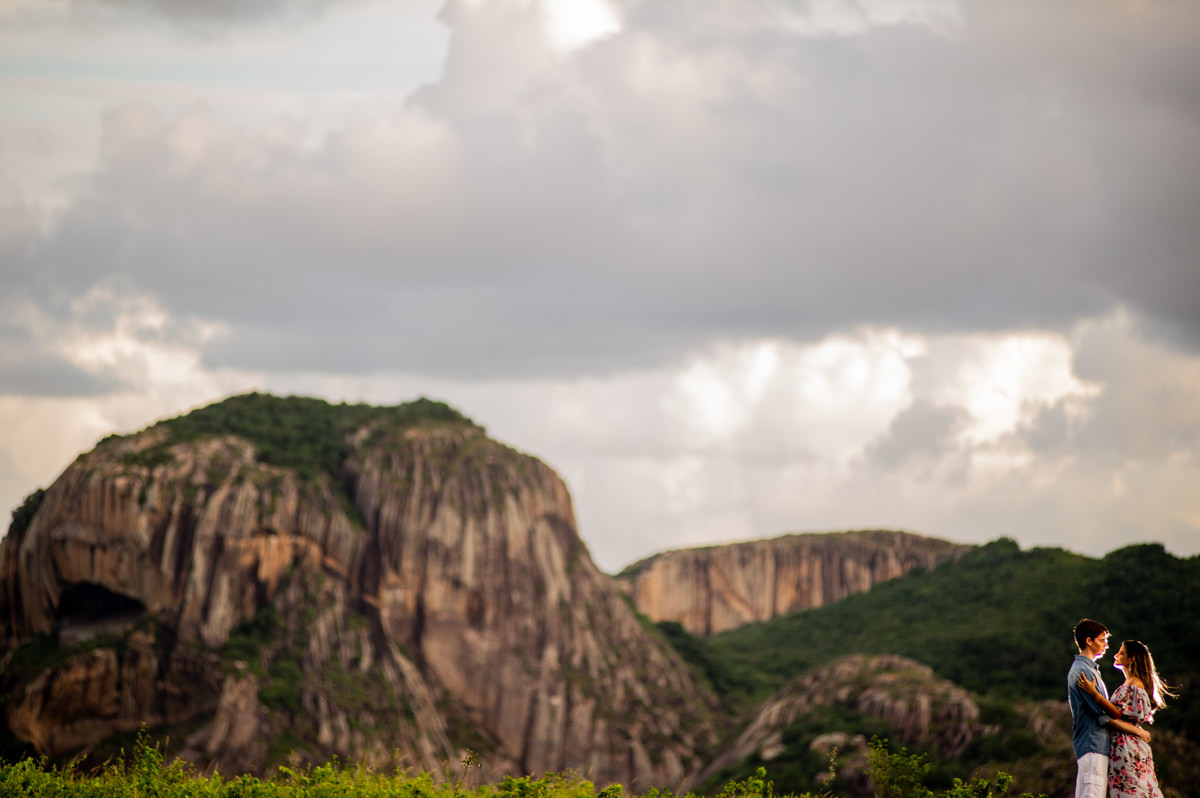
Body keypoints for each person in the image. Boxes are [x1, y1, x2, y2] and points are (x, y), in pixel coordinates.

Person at [1077, 639, 1175, 798]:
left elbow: (1116, 714)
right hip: (1125, 744)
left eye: (1121, 653)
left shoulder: (1133, 685)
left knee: (1131, 789)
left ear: (1132, 659)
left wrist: (1093, 693)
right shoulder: (1130, 683)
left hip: (1127, 746)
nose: (1116, 655)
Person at [1068, 619, 1151, 798]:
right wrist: (1136, 731)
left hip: (1098, 744)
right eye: (1102, 640)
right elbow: (1104, 714)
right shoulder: (1084, 671)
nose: (1106, 645)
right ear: (1089, 641)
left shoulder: (1090, 670)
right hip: (1093, 743)